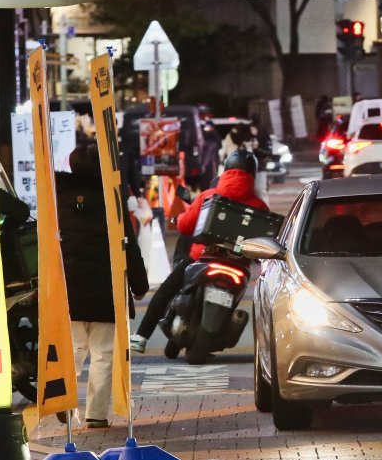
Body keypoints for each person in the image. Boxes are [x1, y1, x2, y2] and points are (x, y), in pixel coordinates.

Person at [130, 150, 269, 352]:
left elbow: (185, 226)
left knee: (166, 290)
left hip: (203, 257)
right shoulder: (259, 205)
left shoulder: (209, 196)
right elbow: (263, 241)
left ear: (227, 168)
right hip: (238, 266)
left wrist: (180, 221)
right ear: (253, 174)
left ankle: (141, 336)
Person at [57, 142, 150, 428]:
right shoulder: (112, 200)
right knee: (103, 353)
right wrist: (139, 283)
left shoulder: (58, 198)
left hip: (68, 287)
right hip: (106, 289)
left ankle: (65, 401)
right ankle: (95, 414)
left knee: (73, 349)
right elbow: (128, 245)